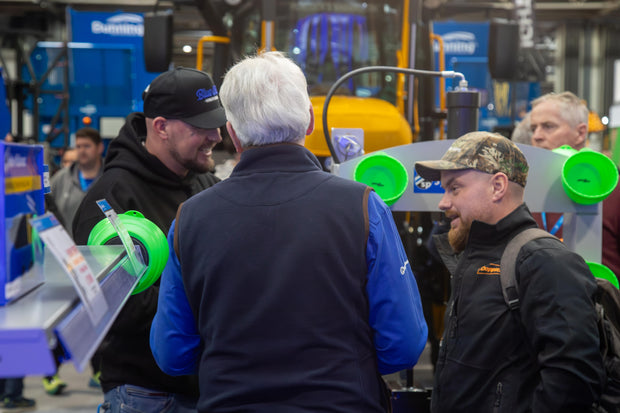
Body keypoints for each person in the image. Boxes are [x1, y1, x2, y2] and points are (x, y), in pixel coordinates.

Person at [150, 51, 428, 413]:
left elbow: (173, 355)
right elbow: (403, 345)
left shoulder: (190, 219)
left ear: (232, 133)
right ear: (310, 120)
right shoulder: (363, 208)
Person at [414, 131, 604, 412]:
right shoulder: (473, 257)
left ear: (498, 186)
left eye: (454, 188)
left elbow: (572, 383)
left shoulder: (545, 261)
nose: (443, 202)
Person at [72, 67, 225, 413]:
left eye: (217, 124)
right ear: (161, 127)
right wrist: (211, 300)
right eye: (201, 126)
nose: (215, 136)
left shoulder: (204, 184)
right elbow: (113, 306)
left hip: (206, 390)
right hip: (146, 396)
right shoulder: (110, 200)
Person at [529, 91, 620, 276]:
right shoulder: (526, 188)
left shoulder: (612, 189)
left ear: (580, 133)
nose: (537, 136)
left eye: (548, 126)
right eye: (533, 128)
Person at [49, 127, 104, 238]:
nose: (82, 151)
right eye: (78, 146)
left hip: (101, 246)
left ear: (100, 148)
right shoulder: (61, 178)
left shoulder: (109, 177)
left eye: (87, 146)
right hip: (67, 246)